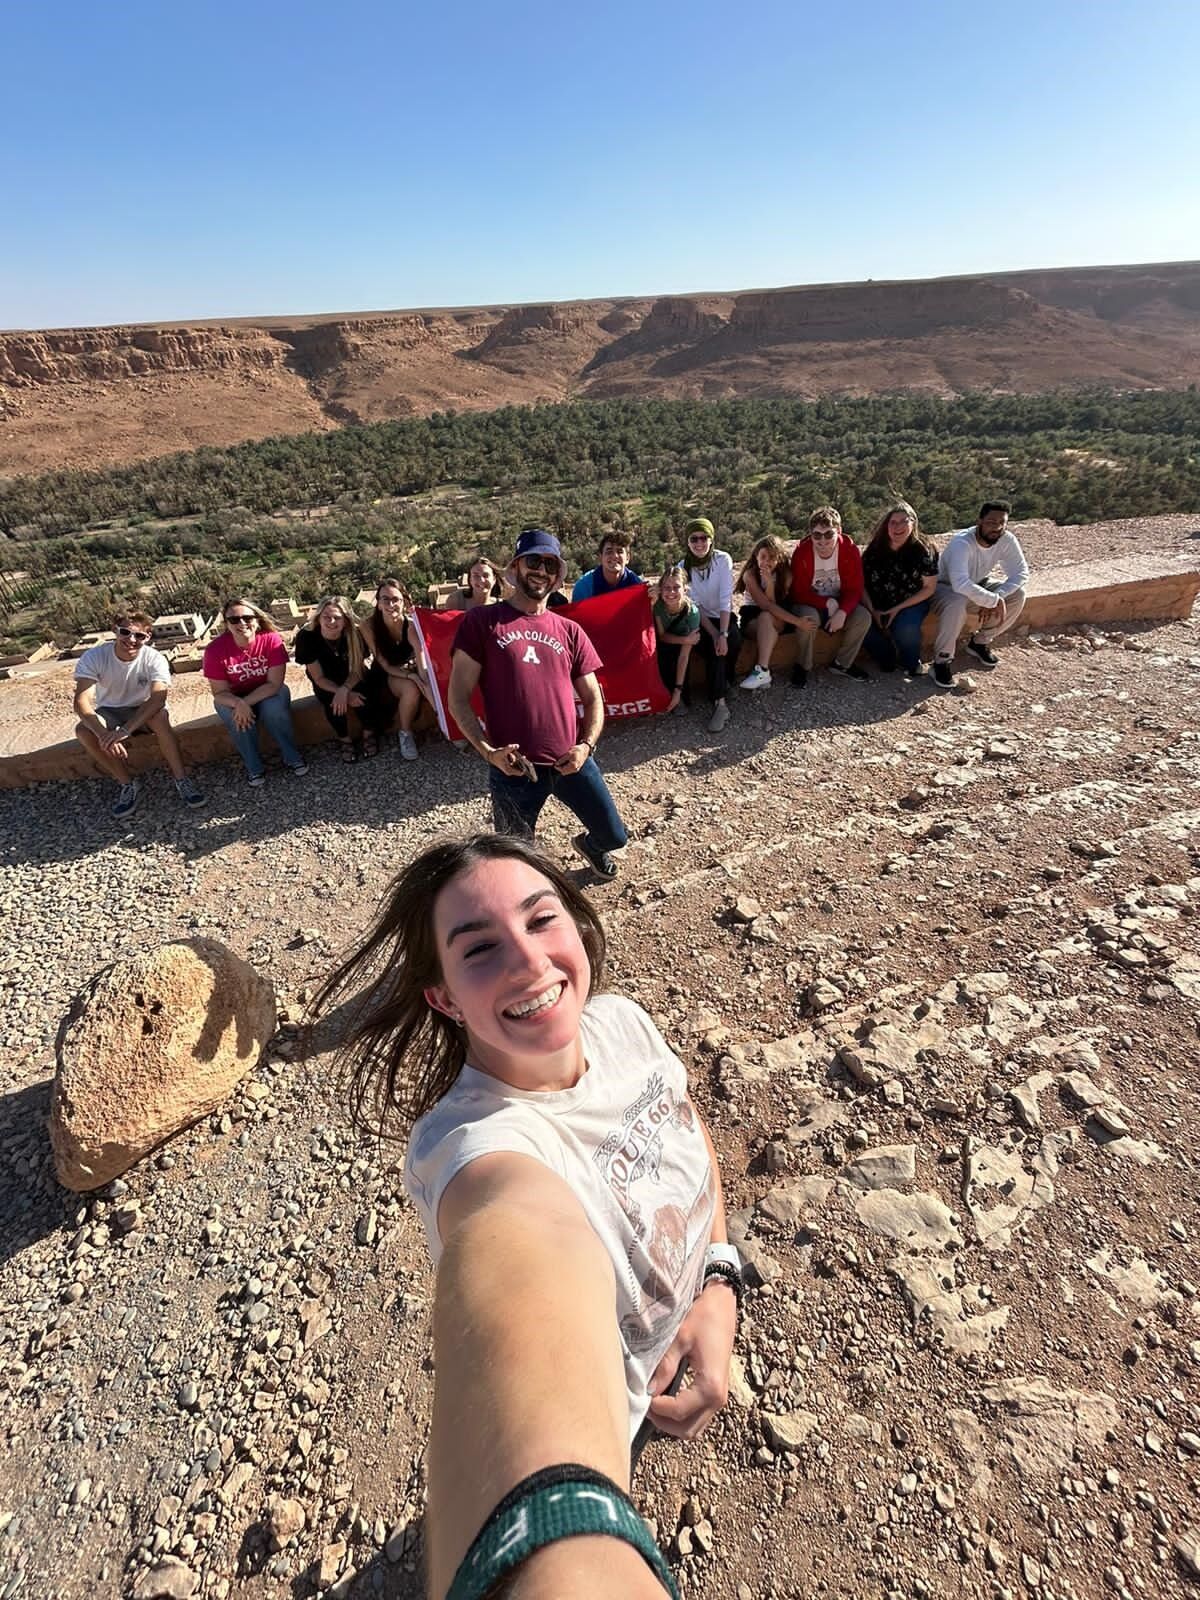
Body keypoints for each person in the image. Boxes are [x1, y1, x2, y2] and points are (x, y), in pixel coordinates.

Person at [312, 833, 738, 1600]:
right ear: (442, 996)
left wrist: (718, 1278)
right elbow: (518, 1243)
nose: (530, 962)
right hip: (622, 1410)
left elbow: (684, 1121)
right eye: (479, 950)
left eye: (543, 921)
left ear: (577, 927)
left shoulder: (619, 1024)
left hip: (687, 1329)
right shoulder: (475, 1147)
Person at [448, 527, 628, 879]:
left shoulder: (569, 630)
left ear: (558, 575)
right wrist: (489, 753)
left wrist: (586, 747)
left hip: (570, 762)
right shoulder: (482, 622)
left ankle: (591, 846)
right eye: (534, 561)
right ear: (515, 567)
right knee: (514, 864)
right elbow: (457, 697)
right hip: (514, 769)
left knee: (615, 836)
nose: (541, 571)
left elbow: (594, 698)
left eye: (550, 564)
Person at [72, 611, 206, 818]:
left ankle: (181, 779)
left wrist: (125, 731)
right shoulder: (95, 656)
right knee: (83, 731)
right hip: (110, 710)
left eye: (139, 636)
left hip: (144, 709)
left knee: (160, 717)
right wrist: (104, 736)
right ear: (115, 631)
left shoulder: (154, 659)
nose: (131, 640)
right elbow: (81, 702)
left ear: (148, 637)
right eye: (125, 632)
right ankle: (127, 783)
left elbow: (157, 699)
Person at [202, 598, 308, 786]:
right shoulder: (214, 651)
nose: (241, 623)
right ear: (226, 624)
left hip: (268, 691)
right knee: (238, 720)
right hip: (233, 697)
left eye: (247, 617)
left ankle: (292, 756)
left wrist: (246, 703)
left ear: (257, 619)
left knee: (274, 711)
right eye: (234, 620)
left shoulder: (271, 640)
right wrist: (239, 704)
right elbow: (219, 693)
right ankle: (254, 767)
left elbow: (274, 684)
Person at [930, 501, 1029, 689]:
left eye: (1002, 522)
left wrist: (997, 596)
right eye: (992, 522)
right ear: (979, 521)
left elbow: (1021, 573)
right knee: (957, 603)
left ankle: (980, 642)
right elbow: (959, 584)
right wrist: (990, 600)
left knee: (1018, 595)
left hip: (977, 584)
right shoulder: (962, 543)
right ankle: (941, 661)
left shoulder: (1006, 539)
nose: (997, 527)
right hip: (945, 588)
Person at [788, 507, 872, 686]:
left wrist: (842, 611)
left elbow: (855, 589)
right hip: (810, 601)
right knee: (807, 620)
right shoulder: (802, 552)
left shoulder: (849, 550)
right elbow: (798, 592)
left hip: (840, 601)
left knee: (863, 618)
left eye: (828, 534)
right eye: (817, 535)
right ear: (810, 534)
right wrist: (826, 602)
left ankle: (842, 664)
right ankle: (803, 666)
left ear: (839, 532)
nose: (822, 541)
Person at [359, 578, 435, 761]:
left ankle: (450, 724)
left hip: (413, 668)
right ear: (378, 604)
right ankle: (405, 734)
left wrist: (426, 681)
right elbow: (384, 664)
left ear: (404, 602)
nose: (390, 604)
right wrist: (413, 677)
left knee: (433, 683)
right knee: (411, 688)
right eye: (385, 599)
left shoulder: (412, 626)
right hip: (387, 673)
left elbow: (421, 658)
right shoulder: (368, 626)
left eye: (396, 599)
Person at [861, 502, 939, 678]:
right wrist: (873, 610)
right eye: (893, 522)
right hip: (875, 602)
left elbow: (929, 588)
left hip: (911, 601)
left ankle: (911, 662)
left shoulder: (923, 550)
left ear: (913, 523)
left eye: (904, 521)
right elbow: (861, 584)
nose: (898, 527)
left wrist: (897, 609)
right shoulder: (875, 549)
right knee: (861, 625)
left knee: (907, 627)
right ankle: (886, 656)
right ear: (886, 526)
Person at [680, 517, 739, 733]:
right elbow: (694, 606)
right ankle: (720, 703)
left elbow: (726, 599)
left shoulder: (722, 560)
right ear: (687, 542)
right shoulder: (683, 567)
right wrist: (714, 635)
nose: (699, 543)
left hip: (723, 617)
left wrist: (722, 633)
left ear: (711, 539)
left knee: (733, 639)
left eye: (704, 538)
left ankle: (726, 683)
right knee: (714, 651)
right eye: (694, 539)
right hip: (700, 620)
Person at [294, 595, 368, 762]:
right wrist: (341, 693)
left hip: (352, 676)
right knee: (333, 703)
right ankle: (345, 739)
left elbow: (357, 670)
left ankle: (368, 733)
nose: (332, 621)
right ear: (318, 617)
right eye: (326, 616)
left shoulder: (355, 634)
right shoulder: (306, 638)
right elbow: (318, 678)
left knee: (365, 697)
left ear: (346, 620)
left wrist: (345, 689)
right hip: (325, 680)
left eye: (337, 617)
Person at [735, 535, 795, 691]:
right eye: (763, 557)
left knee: (767, 617)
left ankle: (761, 670)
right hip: (753, 615)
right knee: (766, 621)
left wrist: (769, 584)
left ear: (779, 559)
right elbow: (764, 605)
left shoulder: (785, 575)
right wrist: (798, 622)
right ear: (756, 556)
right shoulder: (750, 575)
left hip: (778, 614)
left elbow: (773, 607)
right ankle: (763, 673)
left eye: (772, 558)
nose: (767, 562)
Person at [653, 566, 701, 713]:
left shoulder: (692, 613)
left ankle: (679, 697)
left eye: (676, 587)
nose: (671, 592)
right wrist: (685, 640)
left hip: (680, 648)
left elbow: (684, 656)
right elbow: (661, 636)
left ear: (685, 590)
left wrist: (677, 690)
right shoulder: (658, 606)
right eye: (666, 588)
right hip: (667, 643)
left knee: (678, 659)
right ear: (661, 589)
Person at [571, 532, 646, 603]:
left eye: (619, 551)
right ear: (600, 557)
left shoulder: (637, 585)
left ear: (627, 558)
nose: (614, 556)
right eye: (609, 551)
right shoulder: (584, 587)